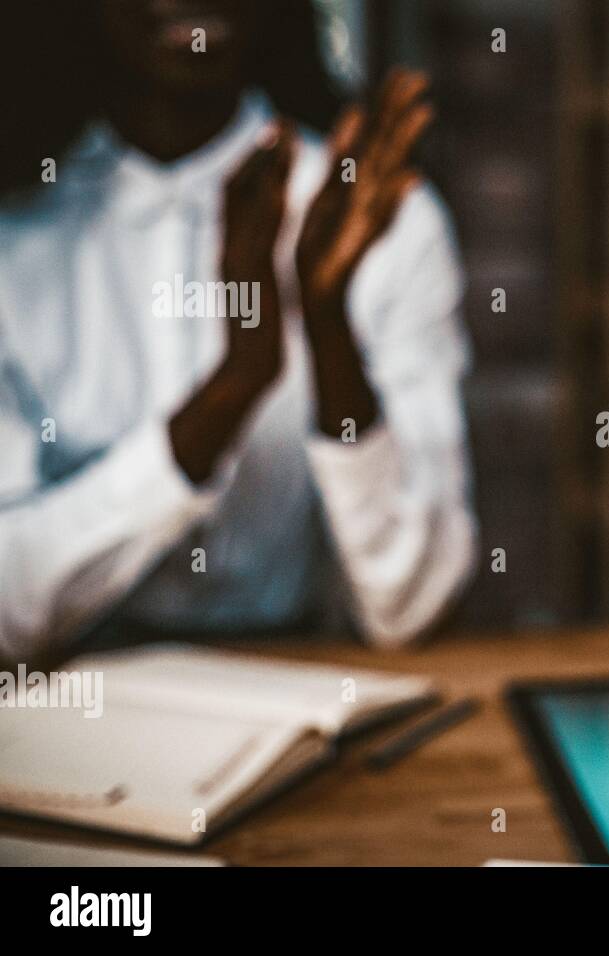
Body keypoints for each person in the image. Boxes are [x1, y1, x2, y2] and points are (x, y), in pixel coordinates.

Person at [0, 1, 476, 664]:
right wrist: (233, 388)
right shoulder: (18, 236)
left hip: (309, 683)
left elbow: (411, 604)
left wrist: (327, 326)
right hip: (62, 708)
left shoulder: (376, 213)